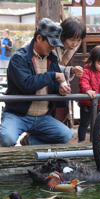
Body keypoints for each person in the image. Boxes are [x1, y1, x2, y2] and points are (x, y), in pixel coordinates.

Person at [0, 18, 72, 147]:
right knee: (6, 139)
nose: (53, 47)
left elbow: (54, 86)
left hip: (43, 116)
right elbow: (27, 85)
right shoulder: (18, 57)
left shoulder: (52, 58)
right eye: (50, 43)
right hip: (17, 114)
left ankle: (29, 142)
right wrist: (52, 75)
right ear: (39, 38)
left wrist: (60, 90)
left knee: (65, 135)